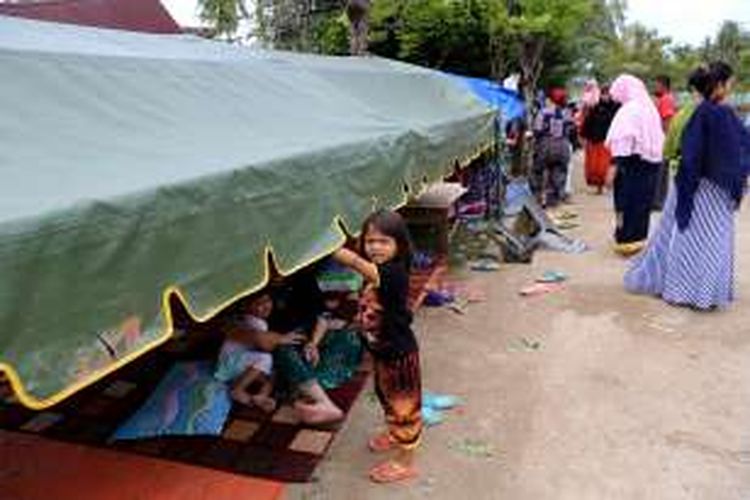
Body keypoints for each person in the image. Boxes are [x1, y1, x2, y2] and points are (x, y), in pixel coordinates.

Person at [624, 62, 750, 310]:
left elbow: (688, 152)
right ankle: (703, 296)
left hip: (693, 186)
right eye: (729, 82)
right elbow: (734, 153)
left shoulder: (695, 112)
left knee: (689, 240)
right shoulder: (721, 114)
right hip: (715, 192)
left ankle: (681, 291)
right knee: (711, 243)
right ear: (719, 85)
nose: (731, 87)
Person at [332, 209, 422, 484]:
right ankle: (394, 433)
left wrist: (331, 248)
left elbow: (358, 264)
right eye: (370, 241)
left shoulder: (393, 273)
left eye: (384, 241)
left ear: (399, 245)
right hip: (383, 353)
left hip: (399, 356)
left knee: (403, 408)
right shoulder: (379, 272)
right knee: (387, 398)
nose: (375, 247)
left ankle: (406, 461)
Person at [605, 74, 665, 256]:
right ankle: (638, 239)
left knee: (626, 201)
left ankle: (626, 240)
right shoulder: (649, 108)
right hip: (651, 163)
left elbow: (623, 141)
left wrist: (614, 166)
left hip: (631, 163)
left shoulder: (629, 110)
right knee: (642, 203)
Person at [214, 292, 283, 412]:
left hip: (237, 364)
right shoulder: (253, 322)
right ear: (247, 308)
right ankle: (238, 390)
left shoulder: (255, 321)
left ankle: (261, 397)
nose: (266, 306)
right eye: (258, 304)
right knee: (266, 359)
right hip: (230, 362)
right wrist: (281, 339)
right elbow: (265, 347)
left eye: (267, 300)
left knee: (273, 372)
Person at [531, 88, 574, 209]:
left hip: (546, 145)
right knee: (558, 173)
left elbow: (538, 129)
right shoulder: (568, 113)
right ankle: (553, 202)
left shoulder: (544, 112)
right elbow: (571, 129)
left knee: (538, 172)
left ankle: (537, 200)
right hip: (563, 146)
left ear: (550, 99)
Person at [663, 68, 705, 173]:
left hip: (680, 171)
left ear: (692, 87)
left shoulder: (680, 115)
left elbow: (667, 151)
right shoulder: (717, 112)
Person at [581, 83, 620, 193]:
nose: (605, 96)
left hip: (609, 141)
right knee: (595, 167)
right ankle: (599, 187)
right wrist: (584, 137)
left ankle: (607, 184)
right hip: (595, 140)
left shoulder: (616, 108)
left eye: (607, 94)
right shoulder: (595, 108)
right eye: (603, 94)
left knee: (606, 166)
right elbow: (588, 123)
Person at [652, 75, 678, 210]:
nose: (655, 87)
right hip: (663, 139)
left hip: (662, 139)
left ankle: (657, 201)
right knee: (662, 172)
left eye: (657, 85)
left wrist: (666, 139)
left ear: (663, 86)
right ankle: (660, 201)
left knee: (659, 172)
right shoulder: (665, 99)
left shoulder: (666, 99)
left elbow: (667, 121)